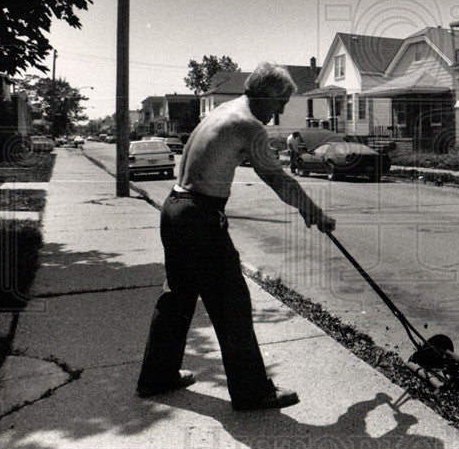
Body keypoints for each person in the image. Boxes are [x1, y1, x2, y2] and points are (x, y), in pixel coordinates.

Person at [136, 63, 336, 410]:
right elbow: (278, 179)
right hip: (200, 216)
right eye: (281, 101)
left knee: (177, 297)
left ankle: (157, 376)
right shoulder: (249, 125)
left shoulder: (221, 112)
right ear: (265, 95)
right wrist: (313, 212)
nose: (282, 111)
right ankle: (252, 392)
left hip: (174, 209)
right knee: (232, 305)